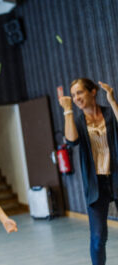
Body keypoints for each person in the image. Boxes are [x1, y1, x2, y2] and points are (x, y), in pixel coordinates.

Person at [58, 78, 118, 265]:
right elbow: (72, 141)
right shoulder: (77, 121)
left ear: (92, 92)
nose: (76, 97)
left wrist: (112, 100)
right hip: (95, 184)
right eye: (74, 94)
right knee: (98, 238)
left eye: (80, 92)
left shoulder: (109, 113)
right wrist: (67, 110)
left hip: (116, 178)